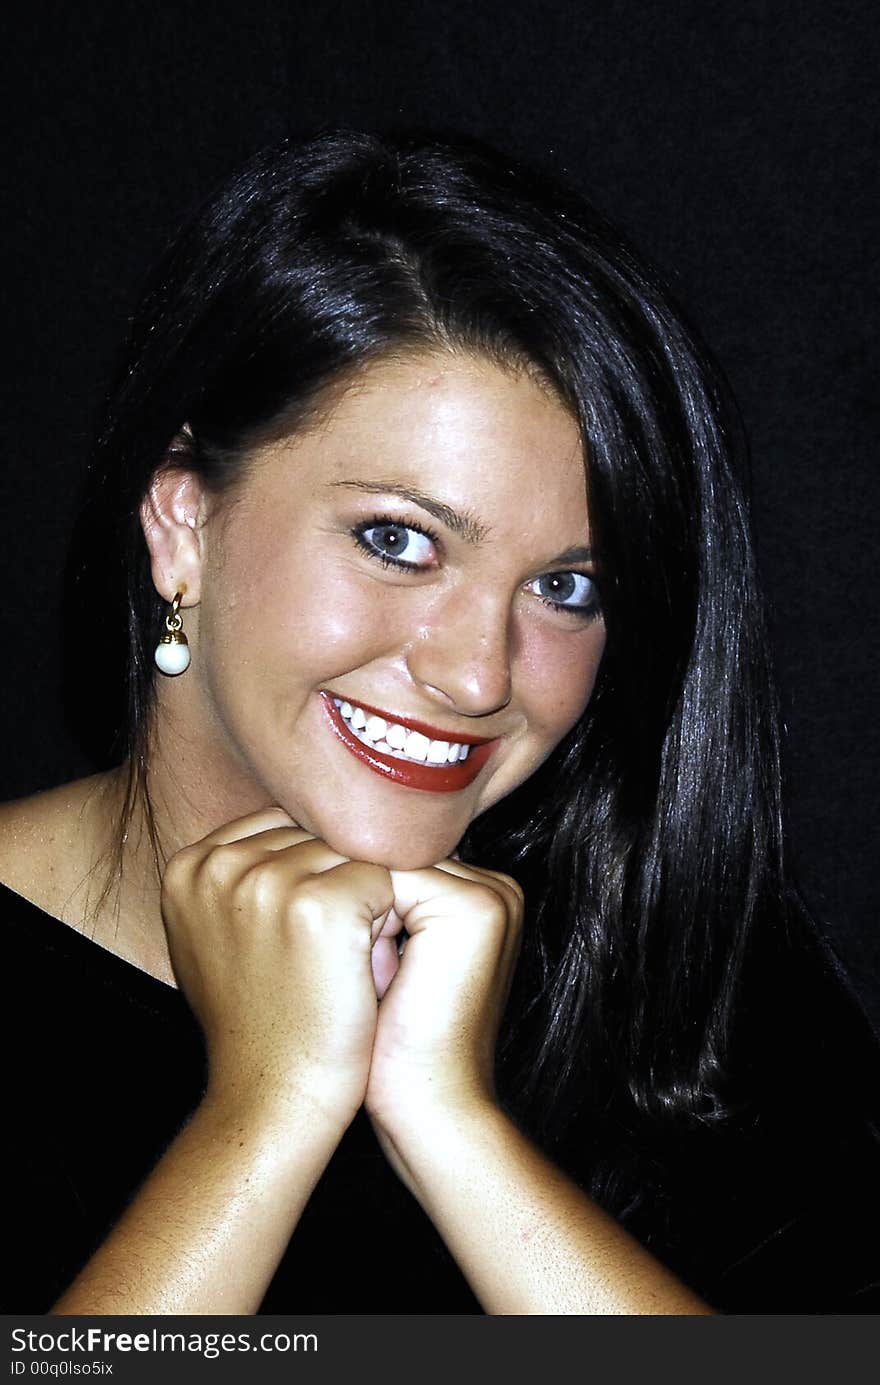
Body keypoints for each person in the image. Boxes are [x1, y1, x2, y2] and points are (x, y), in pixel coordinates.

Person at [1, 128, 878, 1316]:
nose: (476, 677)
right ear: (182, 523)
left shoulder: (692, 971)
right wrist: (262, 1117)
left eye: (567, 586)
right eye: (398, 541)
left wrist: (451, 1128)